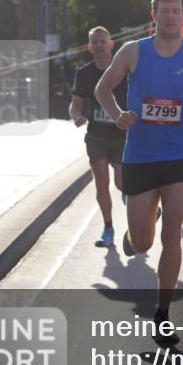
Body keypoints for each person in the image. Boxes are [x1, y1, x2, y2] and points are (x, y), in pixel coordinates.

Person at [95, 0, 183, 346]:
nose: (170, 17)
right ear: (154, 15)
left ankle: (163, 313)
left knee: (172, 235)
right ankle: (134, 234)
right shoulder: (134, 51)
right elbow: (103, 89)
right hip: (139, 156)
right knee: (141, 242)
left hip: (179, 156)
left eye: (175, 11)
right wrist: (117, 115)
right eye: (163, 11)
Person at [70, 26, 127, 247]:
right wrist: (76, 117)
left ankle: (140, 211)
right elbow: (75, 105)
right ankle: (108, 228)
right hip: (96, 136)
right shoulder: (84, 73)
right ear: (89, 47)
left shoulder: (125, 69)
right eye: (95, 42)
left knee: (122, 183)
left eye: (103, 41)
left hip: (122, 135)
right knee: (101, 182)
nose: (99, 45)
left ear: (111, 44)